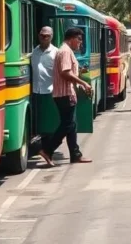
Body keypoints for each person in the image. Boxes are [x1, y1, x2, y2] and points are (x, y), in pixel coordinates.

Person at [38, 28, 93, 166]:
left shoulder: (66, 51)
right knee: (67, 125)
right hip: (64, 94)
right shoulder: (64, 51)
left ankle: (75, 154)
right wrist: (83, 82)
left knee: (72, 125)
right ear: (72, 38)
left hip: (66, 93)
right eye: (79, 40)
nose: (80, 43)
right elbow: (65, 72)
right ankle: (47, 149)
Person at [28, 27, 58, 154]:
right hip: (36, 91)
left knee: (50, 122)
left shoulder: (56, 52)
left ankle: (48, 148)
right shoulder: (34, 51)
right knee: (39, 121)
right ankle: (40, 147)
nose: (44, 38)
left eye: (46, 36)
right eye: (41, 35)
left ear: (51, 37)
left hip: (50, 90)